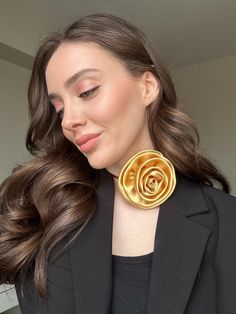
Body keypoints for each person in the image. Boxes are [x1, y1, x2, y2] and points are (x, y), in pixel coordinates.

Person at [0, 13, 236, 314]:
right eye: (59, 110)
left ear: (148, 86)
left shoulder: (228, 222)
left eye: (87, 91)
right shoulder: (47, 214)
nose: (69, 121)